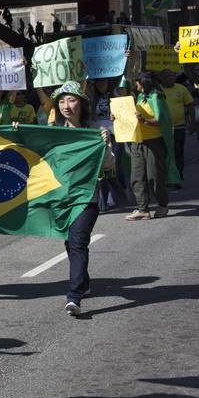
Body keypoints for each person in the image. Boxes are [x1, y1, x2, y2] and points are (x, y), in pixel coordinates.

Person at [41, 82, 113, 317]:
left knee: (78, 242)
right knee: (70, 243)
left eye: (71, 100)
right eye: (61, 101)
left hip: (87, 198)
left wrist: (104, 145)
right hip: (61, 200)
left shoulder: (95, 131)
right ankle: (84, 282)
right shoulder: (53, 131)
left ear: (81, 103)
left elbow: (109, 165)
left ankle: (74, 296)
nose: (66, 106)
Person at [125, 73, 173, 221]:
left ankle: (163, 205)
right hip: (137, 141)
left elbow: (162, 121)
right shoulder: (140, 98)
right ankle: (142, 209)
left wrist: (144, 121)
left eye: (138, 82)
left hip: (154, 142)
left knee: (154, 177)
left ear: (144, 83)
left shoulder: (156, 98)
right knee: (136, 177)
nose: (136, 85)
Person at [88, 79, 127, 211]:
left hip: (116, 134)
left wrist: (118, 114)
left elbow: (125, 109)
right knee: (103, 168)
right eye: (97, 82)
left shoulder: (115, 94)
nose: (100, 84)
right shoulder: (93, 97)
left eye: (102, 81)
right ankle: (106, 199)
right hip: (99, 136)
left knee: (115, 166)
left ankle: (120, 194)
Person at [157, 69, 195, 184]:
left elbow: (190, 105)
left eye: (173, 76)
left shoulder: (181, 88)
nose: (171, 78)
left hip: (179, 127)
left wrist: (192, 122)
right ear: (162, 77)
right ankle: (166, 178)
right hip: (162, 128)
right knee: (164, 153)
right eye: (168, 76)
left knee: (178, 152)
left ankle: (178, 178)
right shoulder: (157, 90)